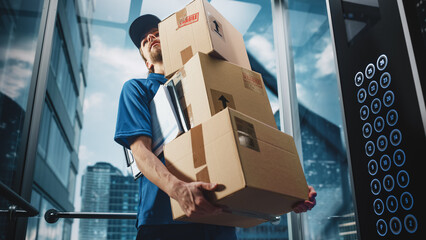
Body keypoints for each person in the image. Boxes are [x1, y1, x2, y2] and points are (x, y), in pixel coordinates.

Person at [114, 14, 317, 240]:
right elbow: (140, 151)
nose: (151, 36)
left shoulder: (206, 80)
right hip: (164, 220)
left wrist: (290, 187)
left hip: (220, 216)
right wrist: (178, 190)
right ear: (147, 63)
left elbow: (247, 136)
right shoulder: (137, 90)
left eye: (157, 32)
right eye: (144, 41)